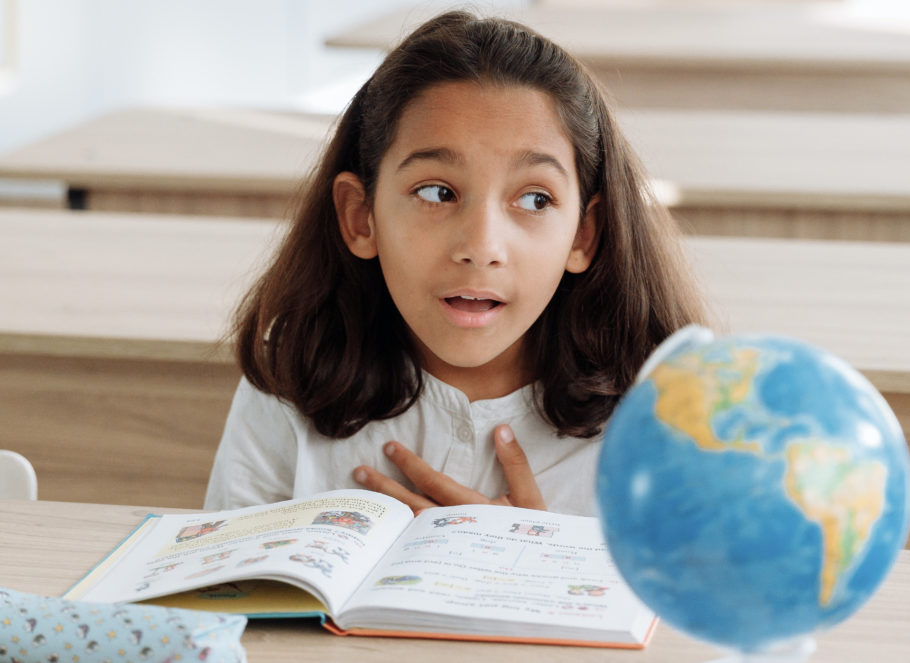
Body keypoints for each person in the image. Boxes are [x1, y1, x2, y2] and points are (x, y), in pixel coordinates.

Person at [204, 10, 708, 516]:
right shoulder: (292, 377)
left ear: (583, 233)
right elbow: (226, 585)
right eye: (437, 192)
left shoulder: (660, 418)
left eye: (534, 200)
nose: (481, 245)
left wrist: (526, 562)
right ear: (362, 218)